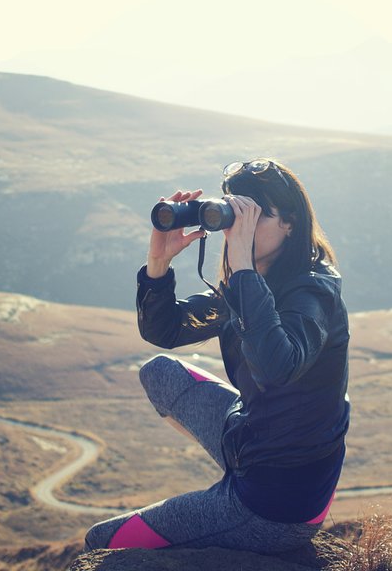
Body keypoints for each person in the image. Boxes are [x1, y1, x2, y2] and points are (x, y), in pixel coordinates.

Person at [84, 158, 350, 553]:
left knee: (102, 541)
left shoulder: (311, 293)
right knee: (159, 373)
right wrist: (158, 264)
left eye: (256, 216)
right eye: (234, 215)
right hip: (253, 437)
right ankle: (233, 481)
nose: (238, 230)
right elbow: (166, 331)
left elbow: (278, 368)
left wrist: (242, 265)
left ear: (290, 223)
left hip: (278, 503)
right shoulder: (257, 280)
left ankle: (231, 507)